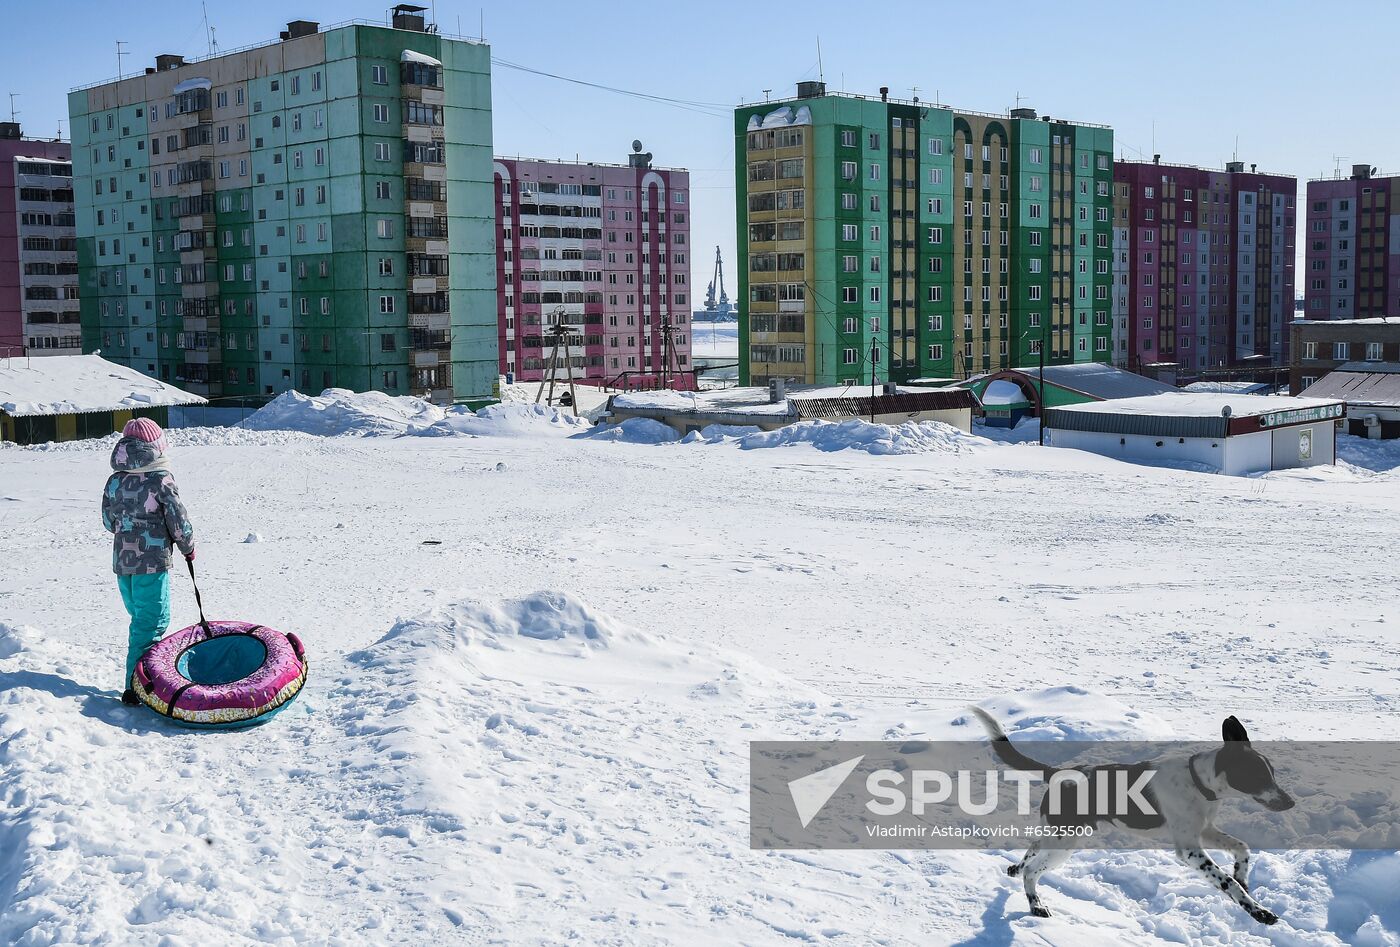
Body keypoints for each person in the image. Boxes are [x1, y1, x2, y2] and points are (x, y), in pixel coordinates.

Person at [101, 418, 195, 705]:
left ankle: (142, 680)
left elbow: (108, 521)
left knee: (140, 619)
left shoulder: (115, 480)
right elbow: (177, 520)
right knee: (151, 623)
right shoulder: (160, 478)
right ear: (155, 447)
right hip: (151, 564)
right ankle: (136, 687)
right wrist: (187, 546)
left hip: (123, 563)